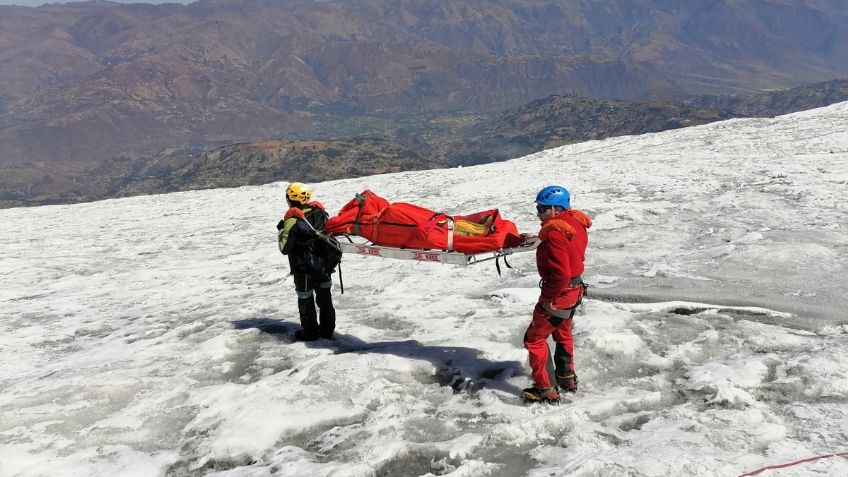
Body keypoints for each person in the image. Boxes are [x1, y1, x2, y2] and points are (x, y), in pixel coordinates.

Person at [522, 185, 592, 403]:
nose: (539, 214)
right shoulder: (574, 222)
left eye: (542, 209)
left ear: (555, 208)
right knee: (562, 333)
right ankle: (566, 377)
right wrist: (539, 238)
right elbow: (567, 244)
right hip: (575, 289)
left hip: (560, 293)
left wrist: (547, 300)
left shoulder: (554, 232)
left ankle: (545, 389)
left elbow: (560, 273)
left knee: (534, 339)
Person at [277, 182, 339, 341]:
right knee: (325, 298)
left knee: (305, 299)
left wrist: (281, 230)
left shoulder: (292, 220)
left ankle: (310, 334)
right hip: (324, 266)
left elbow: (285, 248)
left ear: (291, 198)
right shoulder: (320, 213)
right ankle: (327, 332)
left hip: (303, 268)